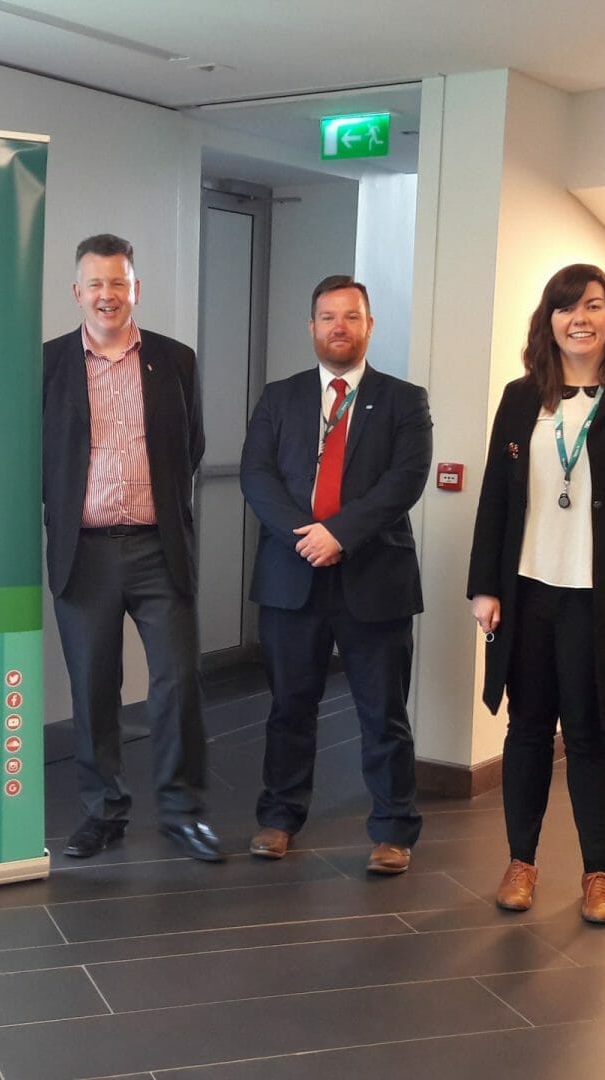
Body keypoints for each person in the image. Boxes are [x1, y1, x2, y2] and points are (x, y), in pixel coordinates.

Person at [466, 263, 605, 922]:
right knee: (527, 729)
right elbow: (495, 498)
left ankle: (597, 875)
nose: (578, 319)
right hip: (529, 591)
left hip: (599, 599)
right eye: (565, 308)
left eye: (591, 305)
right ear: (549, 321)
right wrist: (484, 586)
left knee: (589, 732)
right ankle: (521, 863)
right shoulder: (521, 398)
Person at [241, 275, 432, 873]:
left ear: (369, 325)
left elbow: (404, 481)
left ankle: (393, 830)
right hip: (291, 575)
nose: (339, 327)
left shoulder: (404, 400)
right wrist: (306, 537)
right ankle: (279, 817)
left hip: (374, 578)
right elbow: (256, 475)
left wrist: (340, 534)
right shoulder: (279, 397)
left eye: (351, 317)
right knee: (288, 708)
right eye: (327, 317)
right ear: (312, 327)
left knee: (383, 712)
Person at [42, 234, 221, 862]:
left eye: (118, 282)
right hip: (84, 552)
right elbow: (39, 457)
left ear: (135, 288)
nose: (107, 294)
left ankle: (182, 812)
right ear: (77, 292)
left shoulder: (176, 361)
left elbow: (191, 446)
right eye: (95, 283)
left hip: (158, 548)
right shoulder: (48, 364)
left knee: (178, 682)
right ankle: (103, 811)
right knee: (94, 688)